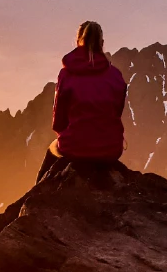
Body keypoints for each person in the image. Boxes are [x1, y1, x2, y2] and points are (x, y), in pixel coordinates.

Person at [36, 21, 127, 183]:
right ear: (102, 43)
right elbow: (116, 112)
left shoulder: (67, 74)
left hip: (74, 147)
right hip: (110, 149)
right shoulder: (116, 75)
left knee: (50, 153)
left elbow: (59, 121)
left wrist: (73, 136)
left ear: (78, 41)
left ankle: (35, 193)